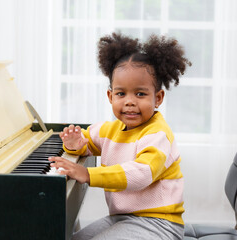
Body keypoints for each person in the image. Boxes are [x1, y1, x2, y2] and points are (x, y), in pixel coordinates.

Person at [49, 32, 191, 240]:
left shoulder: (157, 134)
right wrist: (75, 144)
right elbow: (89, 140)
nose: (130, 102)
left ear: (158, 98)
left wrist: (88, 174)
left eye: (140, 94)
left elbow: (141, 173)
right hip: (123, 218)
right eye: (121, 94)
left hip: (159, 224)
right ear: (110, 96)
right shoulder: (112, 129)